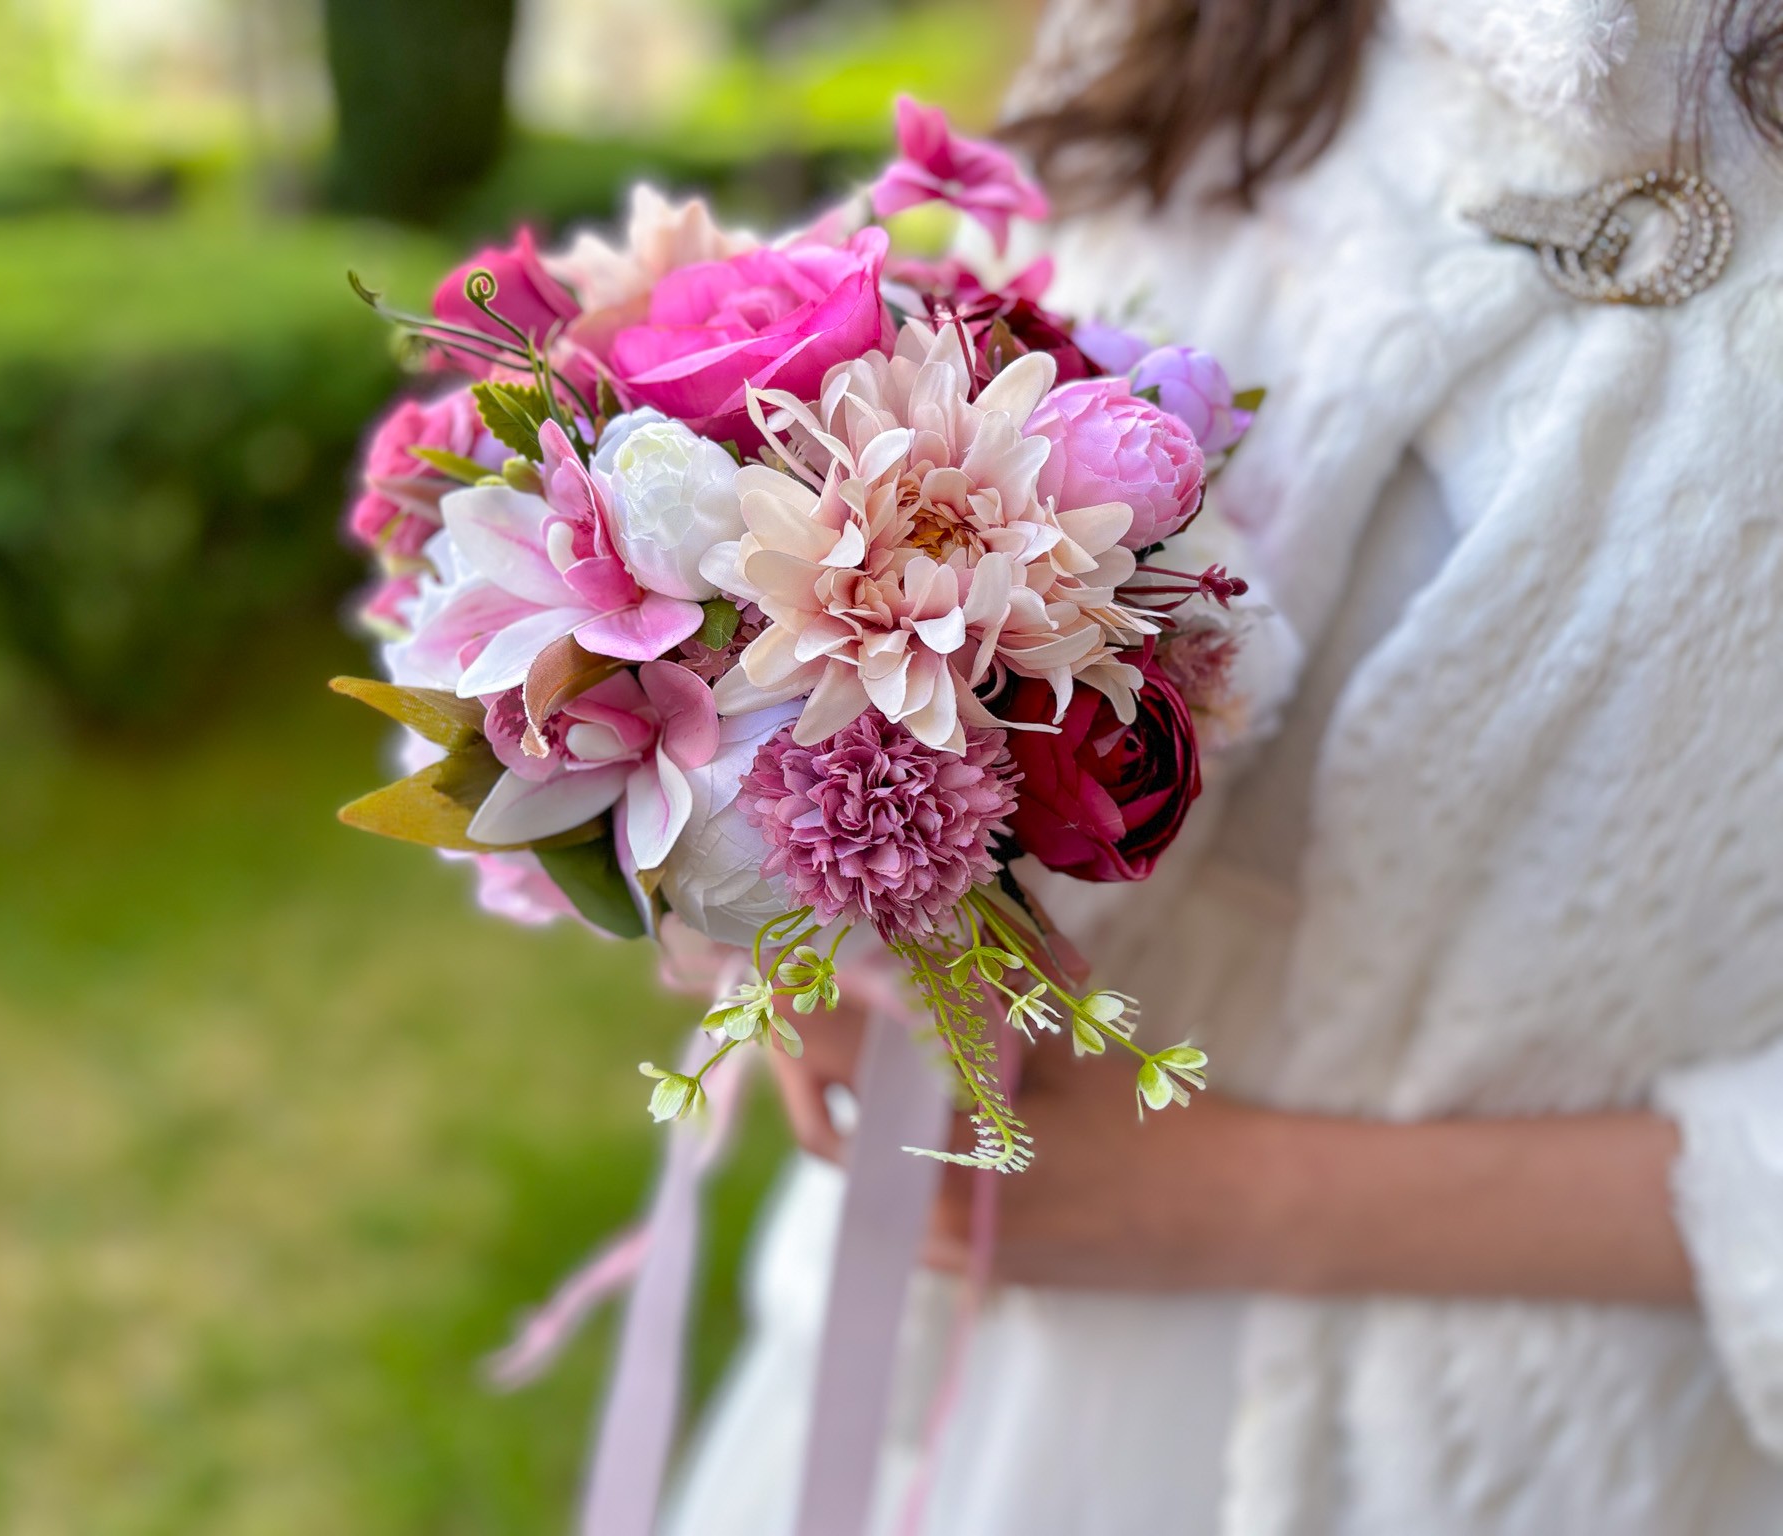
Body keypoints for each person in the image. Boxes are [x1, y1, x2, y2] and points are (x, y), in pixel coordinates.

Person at [661, 0, 1783, 1531]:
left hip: (1520, 1438)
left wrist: (1201, 1199)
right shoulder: (1200, 32)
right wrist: (812, 889)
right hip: (954, 1363)